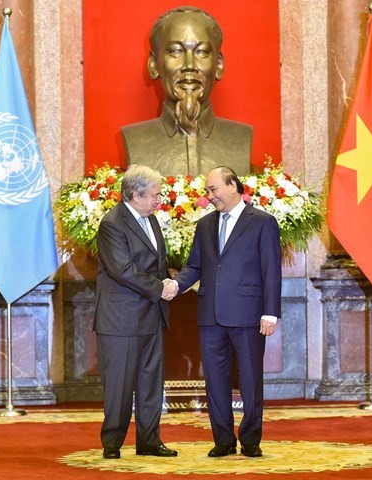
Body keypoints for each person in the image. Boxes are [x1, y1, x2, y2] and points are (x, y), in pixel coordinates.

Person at [172, 166, 281, 458]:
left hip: (248, 314)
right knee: (215, 381)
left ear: (233, 186)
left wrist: (270, 313)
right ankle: (222, 439)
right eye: (208, 191)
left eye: (214, 189)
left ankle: (250, 439)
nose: (210, 196)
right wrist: (175, 285)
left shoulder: (262, 222)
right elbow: (194, 265)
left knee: (250, 380)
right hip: (210, 315)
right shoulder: (204, 225)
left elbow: (271, 270)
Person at [93, 164, 179, 459]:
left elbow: (154, 264)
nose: (159, 200)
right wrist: (161, 288)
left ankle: (149, 441)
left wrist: (169, 280)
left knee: (150, 383)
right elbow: (123, 270)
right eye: (154, 195)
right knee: (119, 385)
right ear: (134, 195)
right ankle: (112, 443)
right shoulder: (113, 224)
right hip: (121, 319)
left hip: (151, 315)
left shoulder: (150, 219)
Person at [121, 6, 252, 177]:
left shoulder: (241, 138)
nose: (189, 65)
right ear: (154, 64)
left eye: (201, 52)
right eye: (176, 51)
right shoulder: (135, 139)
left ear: (218, 65)